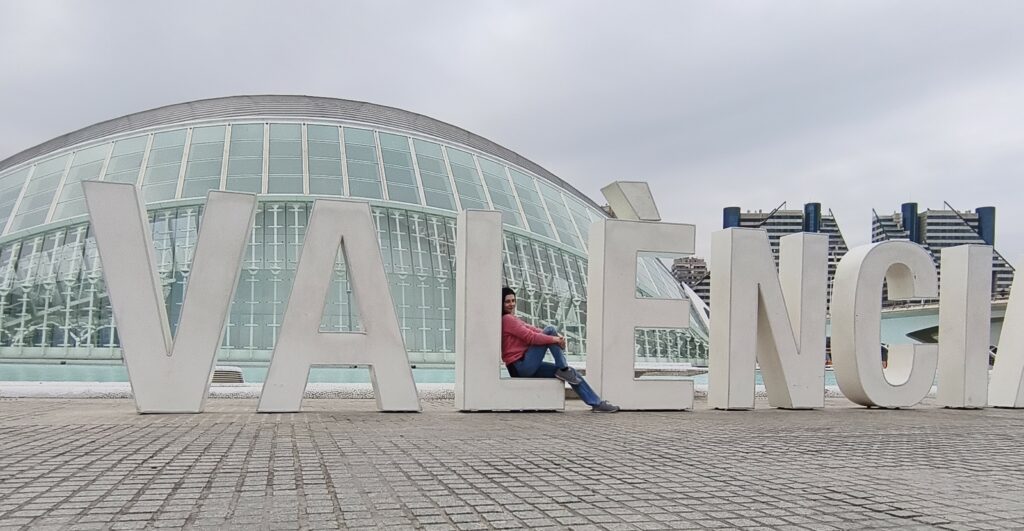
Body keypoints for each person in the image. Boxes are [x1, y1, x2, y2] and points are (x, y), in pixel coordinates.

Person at [500, 286, 619, 412]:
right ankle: (563, 368)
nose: (511, 304)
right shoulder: (507, 319)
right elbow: (531, 337)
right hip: (520, 366)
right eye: (507, 301)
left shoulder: (512, 319)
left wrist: (558, 338)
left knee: (571, 372)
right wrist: (555, 339)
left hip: (526, 365)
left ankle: (596, 403)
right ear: (501, 303)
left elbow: (534, 330)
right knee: (550, 330)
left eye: (513, 300)